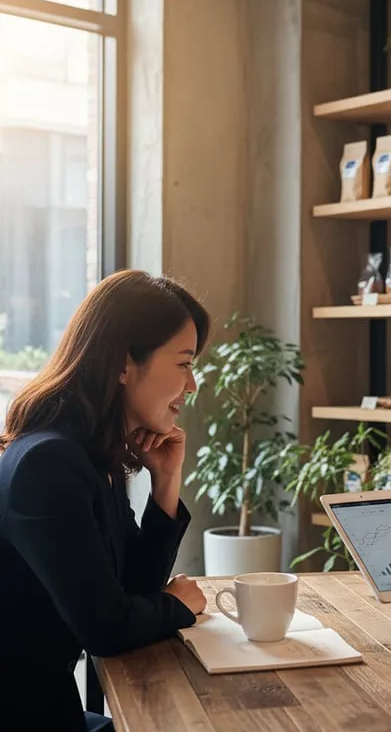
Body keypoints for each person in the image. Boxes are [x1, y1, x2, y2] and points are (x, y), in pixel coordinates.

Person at [0, 270, 210, 731]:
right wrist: (176, 605)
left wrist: (166, 481)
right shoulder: (48, 463)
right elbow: (106, 628)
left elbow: (132, 588)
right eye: (183, 363)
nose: (192, 385)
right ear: (122, 364)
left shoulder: (91, 456)